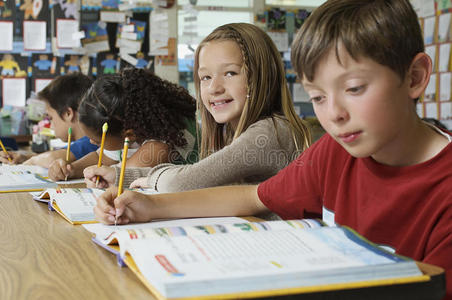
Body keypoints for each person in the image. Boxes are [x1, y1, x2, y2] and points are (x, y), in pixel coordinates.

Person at [94, 1, 451, 298]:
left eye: (354, 88)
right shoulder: (335, 152)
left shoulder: (443, 187)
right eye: (318, 98)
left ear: (416, 77)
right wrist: (150, 207)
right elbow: (254, 196)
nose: (335, 114)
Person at [83, 23, 311, 193]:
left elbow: (180, 182)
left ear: (261, 77)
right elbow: (197, 171)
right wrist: (118, 175)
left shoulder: (269, 132)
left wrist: (131, 176)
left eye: (230, 73)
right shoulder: (228, 131)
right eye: (205, 77)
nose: (214, 88)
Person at [48, 67, 198, 181]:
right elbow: (101, 157)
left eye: (98, 140)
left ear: (129, 134)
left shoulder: (161, 146)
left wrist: (100, 176)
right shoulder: (132, 124)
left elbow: (120, 175)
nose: (91, 142)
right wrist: (70, 169)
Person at [0, 73, 98, 167]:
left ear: (68, 114)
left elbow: (52, 158)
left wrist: (32, 161)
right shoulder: (81, 145)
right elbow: (56, 153)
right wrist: (24, 157)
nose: (50, 125)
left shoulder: (92, 142)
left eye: (50, 118)